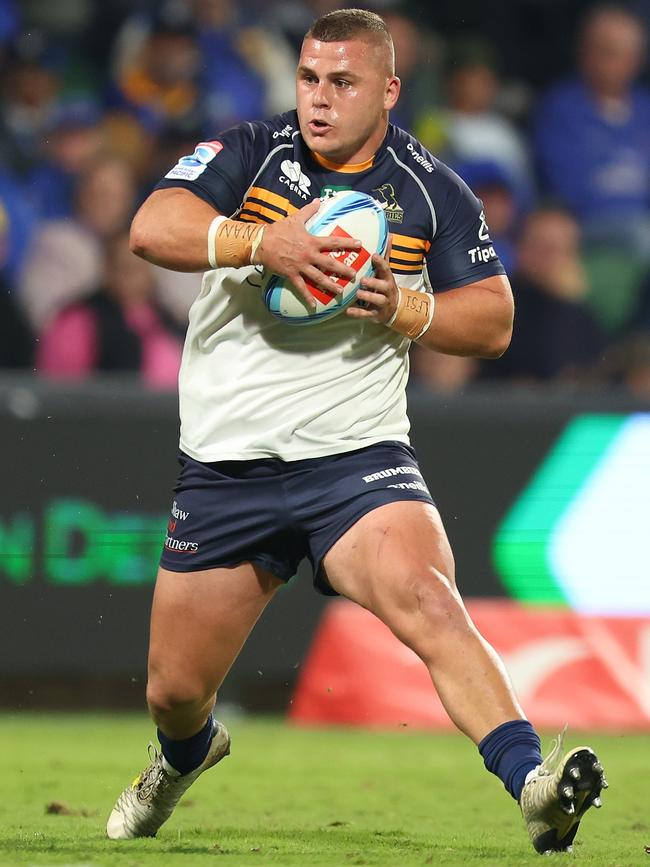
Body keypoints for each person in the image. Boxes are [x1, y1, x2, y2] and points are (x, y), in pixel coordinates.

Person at [106, 9, 606, 854]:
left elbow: (493, 321)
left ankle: (533, 783)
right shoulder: (251, 152)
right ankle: (183, 755)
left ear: (388, 90)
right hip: (230, 462)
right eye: (309, 79)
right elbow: (151, 227)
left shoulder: (430, 189)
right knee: (174, 690)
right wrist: (265, 243)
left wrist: (408, 305)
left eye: (341, 82)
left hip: (356, 456)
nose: (318, 99)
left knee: (430, 601)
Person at [533, 5, 650, 256]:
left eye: (626, 53)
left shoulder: (645, 109)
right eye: (607, 51)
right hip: (587, 225)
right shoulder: (561, 109)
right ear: (586, 52)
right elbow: (564, 188)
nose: (615, 62)